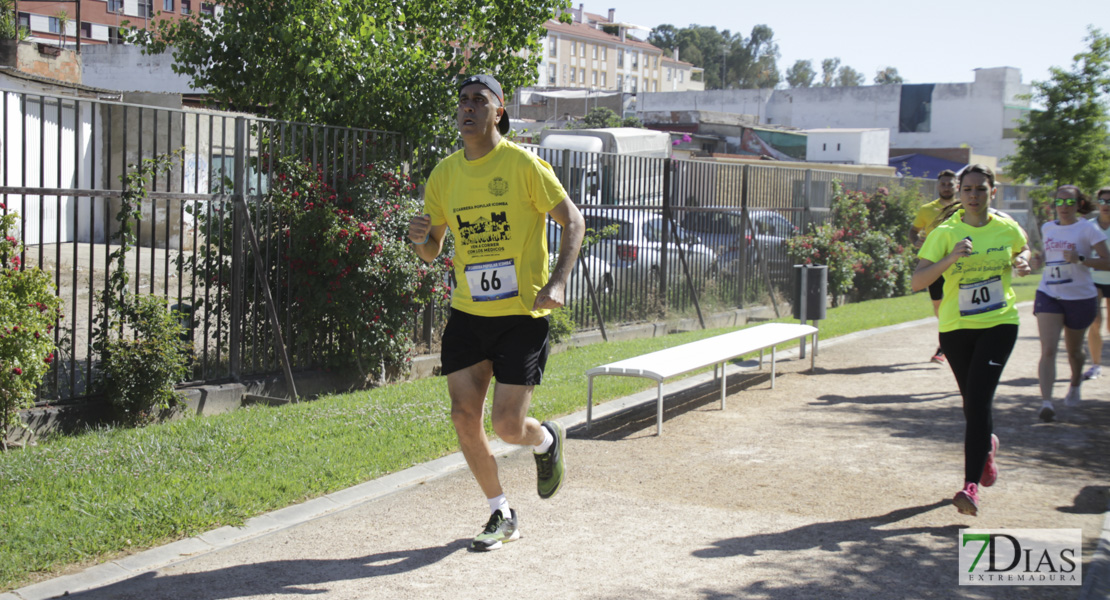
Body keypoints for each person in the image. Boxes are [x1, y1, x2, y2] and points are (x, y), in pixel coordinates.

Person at [408, 74, 585, 551]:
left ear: (498, 111)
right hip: (469, 312)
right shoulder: (444, 174)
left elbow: (573, 219)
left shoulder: (523, 165)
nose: (467, 108)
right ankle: (500, 512)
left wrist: (559, 281)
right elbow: (432, 251)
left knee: (507, 426)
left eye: (478, 101)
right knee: (464, 415)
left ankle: (545, 440)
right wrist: (419, 236)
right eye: (462, 100)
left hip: (521, 316)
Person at [912, 164, 1031, 517]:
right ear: (959, 194)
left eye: (981, 189)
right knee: (971, 404)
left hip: (999, 323)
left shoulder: (1006, 226)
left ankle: (970, 487)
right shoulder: (945, 232)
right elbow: (918, 281)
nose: (974, 195)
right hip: (955, 328)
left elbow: (1022, 251)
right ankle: (987, 448)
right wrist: (950, 258)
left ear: (993, 191)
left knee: (978, 401)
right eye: (968, 189)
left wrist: (1023, 262)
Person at [1034, 185, 1110, 422]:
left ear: (1079, 205)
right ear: (1053, 204)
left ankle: (1075, 382)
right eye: (1059, 202)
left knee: (1074, 351)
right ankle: (1047, 402)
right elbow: (1047, 259)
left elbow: (1107, 262)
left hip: (1079, 297)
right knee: (1048, 349)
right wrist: (1036, 261)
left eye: (1069, 202)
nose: (1064, 207)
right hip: (1049, 294)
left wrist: (1082, 259)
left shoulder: (1088, 230)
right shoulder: (1047, 228)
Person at [910, 169, 960, 364]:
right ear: (938, 186)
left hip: (959, 264)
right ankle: (947, 337)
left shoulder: (964, 207)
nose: (946, 187)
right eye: (943, 184)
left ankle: (944, 347)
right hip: (935, 265)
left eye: (950, 184)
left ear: (957, 186)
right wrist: (916, 242)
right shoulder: (927, 209)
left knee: (956, 302)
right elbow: (913, 231)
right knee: (938, 305)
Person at [1083, 187, 1110, 381]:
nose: (1106, 205)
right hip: (1094, 280)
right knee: (1095, 321)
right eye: (1102, 201)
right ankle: (1095, 365)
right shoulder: (1088, 226)